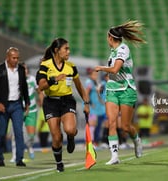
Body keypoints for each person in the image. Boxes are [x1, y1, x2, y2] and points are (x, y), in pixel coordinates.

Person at [94, 20, 146, 165]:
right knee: (111, 122)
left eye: (107, 37)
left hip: (126, 90)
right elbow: (113, 73)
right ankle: (114, 156)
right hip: (112, 90)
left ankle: (136, 140)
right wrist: (104, 83)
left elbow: (115, 69)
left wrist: (101, 68)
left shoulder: (123, 49)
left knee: (125, 126)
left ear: (111, 38)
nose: (107, 40)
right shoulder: (112, 53)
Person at [36, 38, 90, 172]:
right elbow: (41, 86)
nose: (68, 51)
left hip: (67, 100)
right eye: (66, 49)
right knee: (56, 137)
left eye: (69, 49)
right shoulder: (46, 65)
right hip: (51, 102)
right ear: (56, 50)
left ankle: (71, 137)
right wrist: (54, 79)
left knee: (70, 129)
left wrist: (86, 103)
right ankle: (59, 163)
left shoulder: (71, 66)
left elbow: (79, 86)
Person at [0, 47, 30, 167]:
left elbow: (24, 87)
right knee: (1, 133)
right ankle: (0, 157)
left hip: (17, 105)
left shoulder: (21, 69)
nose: (16, 60)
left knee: (19, 132)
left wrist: (27, 102)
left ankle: (19, 159)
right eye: (14, 58)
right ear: (7, 57)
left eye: (17, 58)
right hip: (3, 106)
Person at [10, 63, 43, 162]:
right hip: (18, 110)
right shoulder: (14, 80)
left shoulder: (32, 79)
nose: (25, 71)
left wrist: (42, 101)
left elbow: (40, 91)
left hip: (32, 110)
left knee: (31, 136)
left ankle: (29, 147)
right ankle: (14, 156)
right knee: (15, 133)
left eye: (26, 69)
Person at [84, 68, 106, 146]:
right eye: (94, 74)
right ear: (90, 75)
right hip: (91, 107)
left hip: (96, 107)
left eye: (96, 74)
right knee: (92, 124)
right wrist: (89, 103)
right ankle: (89, 143)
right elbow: (86, 93)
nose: (96, 76)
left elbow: (98, 94)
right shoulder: (89, 82)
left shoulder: (95, 82)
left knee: (95, 125)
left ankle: (93, 142)